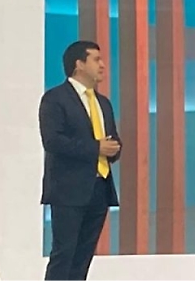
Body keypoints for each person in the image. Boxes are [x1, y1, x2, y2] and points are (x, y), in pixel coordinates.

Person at [39, 40, 122, 280]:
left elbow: (112, 140)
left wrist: (114, 148)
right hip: (68, 190)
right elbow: (53, 141)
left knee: (83, 257)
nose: (103, 65)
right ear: (79, 64)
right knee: (64, 254)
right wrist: (97, 147)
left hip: (99, 188)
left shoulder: (102, 102)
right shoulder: (55, 99)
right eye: (96, 60)